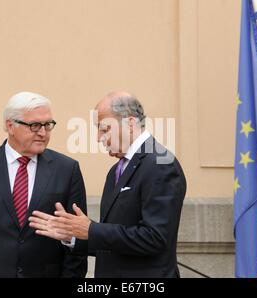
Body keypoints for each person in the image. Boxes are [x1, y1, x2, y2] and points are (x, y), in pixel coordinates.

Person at [29, 92, 187, 278]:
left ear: (129, 124)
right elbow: (113, 242)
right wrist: (72, 235)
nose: (98, 138)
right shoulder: (116, 171)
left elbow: (155, 238)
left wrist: (91, 229)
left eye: (104, 129)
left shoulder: (161, 163)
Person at [0, 91, 87, 278]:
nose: (43, 133)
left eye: (48, 125)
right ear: (10, 125)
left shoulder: (67, 169)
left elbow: (77, 240)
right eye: (35, 125)